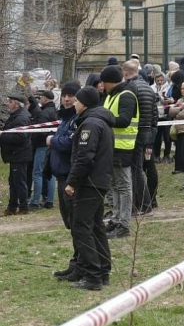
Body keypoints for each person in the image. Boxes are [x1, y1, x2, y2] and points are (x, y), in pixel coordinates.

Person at [61, 86, 114, 291]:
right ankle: (102, 270)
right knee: (96, 226)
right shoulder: (99, 121)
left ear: (84, 103)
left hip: (89, 183)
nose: (74, 104)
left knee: (81, 227)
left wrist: (72, 182)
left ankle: (93, 276)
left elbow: (85, 157)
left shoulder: (90, 124)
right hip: (98, 181)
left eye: (76, 101)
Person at [47, 81, 81, 277]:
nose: (67, 99)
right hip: (61, 176)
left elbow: (69, 143)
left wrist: (52, 140)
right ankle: (76, 261)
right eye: (65, 95)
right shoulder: (65, 118)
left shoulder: (77, 119)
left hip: (71, 177)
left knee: (77, 223)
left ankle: (80, 263)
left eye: (71, 95)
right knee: (70, 222)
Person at [101, 65, 138, 239]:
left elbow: (123, 120)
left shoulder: (127, 95)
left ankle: (124, 224)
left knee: (124, 186)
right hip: (112, 146)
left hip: (123, 147)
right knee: (115, 185)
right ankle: (116, 219)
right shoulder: (111, 95)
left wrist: (102, 118)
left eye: (104, 82)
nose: (102, 85)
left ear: (110, 81)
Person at [123, 59, 156, 215]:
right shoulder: (148, 88)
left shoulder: (131, 87)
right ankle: (142, 204)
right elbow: (154, 114)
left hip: (135, 133)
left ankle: (143, 204)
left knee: (136, 170)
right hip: (147, 132)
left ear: (126, 73)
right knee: (140, 169)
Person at [0, 94, 32, 216]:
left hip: (19, 155)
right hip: (15, 155)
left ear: (17, 104)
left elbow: (20, 137)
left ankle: (23, 207)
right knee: (13, 182)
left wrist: (2, 135)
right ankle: (12, 207)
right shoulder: (16, 116)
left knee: (19, 182)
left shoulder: (21, 118)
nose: (7, 103)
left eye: (10, 101)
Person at [29, 90, 57, 210]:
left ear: (45, 99)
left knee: (37, 173)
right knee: (50, 173)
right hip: (53, 144)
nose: (40, 100)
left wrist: (34, 139)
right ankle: (49, 199)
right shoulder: (55, 111)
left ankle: (35, 201)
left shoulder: (43, 113)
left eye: (41, 98)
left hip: (42, 145)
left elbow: (39, 130)